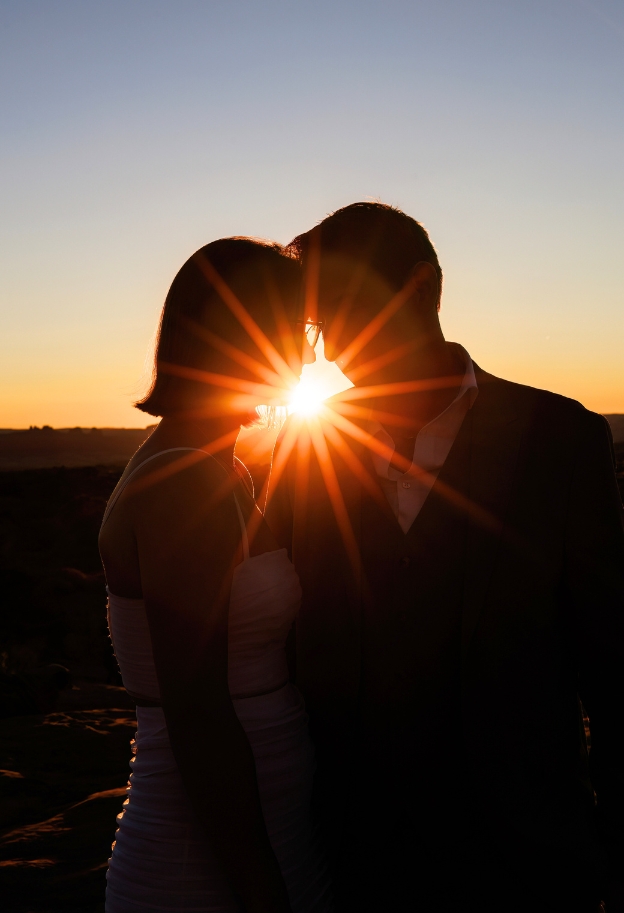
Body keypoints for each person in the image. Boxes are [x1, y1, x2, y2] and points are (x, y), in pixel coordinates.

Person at [266, 203, 624, 913]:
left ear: (421, 287)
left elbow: (610, 660)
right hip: (356, 859)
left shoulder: (559, 439)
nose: (329, 344)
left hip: (530, 858)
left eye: (342, 304)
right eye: (316, 321)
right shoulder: (303, 450)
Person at [99, 237, 332, 913]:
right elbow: (200, 713)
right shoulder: (182, 480)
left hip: (271, 832)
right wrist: (261, 892)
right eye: (296, 328)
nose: (308, 352)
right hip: (202, 861)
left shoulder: (223, 463)